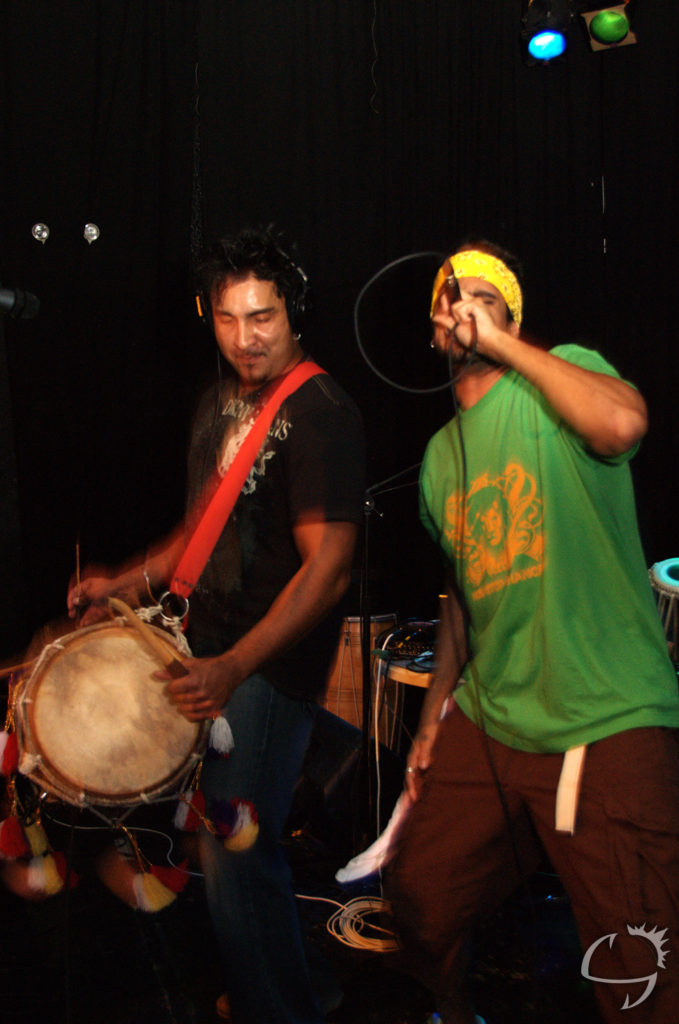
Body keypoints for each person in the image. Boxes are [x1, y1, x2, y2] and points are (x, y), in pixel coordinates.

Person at [67, 227, 365, 1023]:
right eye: (229, 319)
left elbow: (329, 570)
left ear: (293, 313)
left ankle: (279, 1009)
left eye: (262, 317)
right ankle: (303, 987)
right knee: (226, 844)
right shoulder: (221, 399)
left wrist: (233, 666)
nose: (245, 337)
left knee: (235, 851)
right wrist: (120, 583)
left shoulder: (321, 414)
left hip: (265, 668)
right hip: (209, 651)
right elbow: (197, 533)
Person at [385, 240, 679, 1024]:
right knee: (417, 896)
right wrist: (433, 712)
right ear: (433, 331)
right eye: (451, 299)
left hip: (605, 715)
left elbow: (622, 422)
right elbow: (462, 594)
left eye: (484, 299)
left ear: (512, 322)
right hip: (495, 717)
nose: (463, 309)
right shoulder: (437, 459)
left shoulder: (562, 377)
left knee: (644, 974)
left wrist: (503, 345)